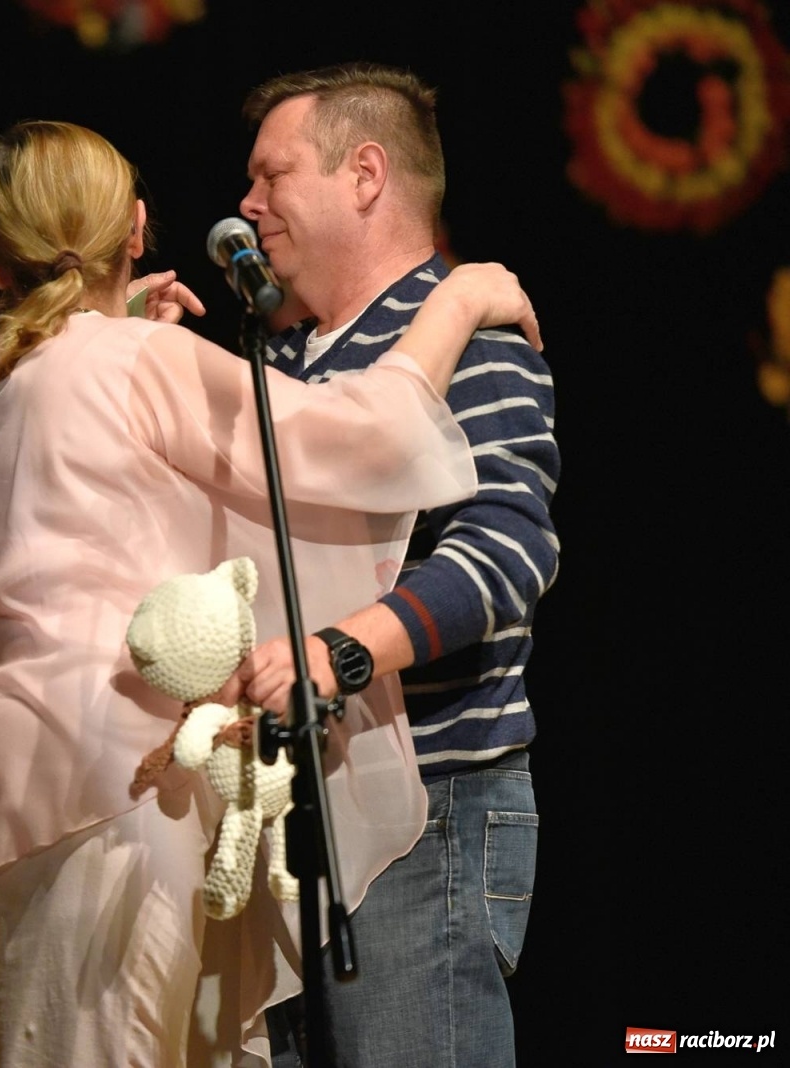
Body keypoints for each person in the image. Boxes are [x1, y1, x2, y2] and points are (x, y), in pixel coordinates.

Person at [0, 119, 543, 1068]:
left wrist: (115, 331)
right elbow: (364, 438)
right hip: (93, 773)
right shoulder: (137, 359)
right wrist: (461, 297)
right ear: (137, 228)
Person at [235, 63, 559, 1068]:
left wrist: (340, 652)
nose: (248, 205)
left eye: (272, 176)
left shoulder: (473, 333)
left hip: (429, 811)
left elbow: (506, 549)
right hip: (295, 818)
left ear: (364, 175)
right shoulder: (282, 362)